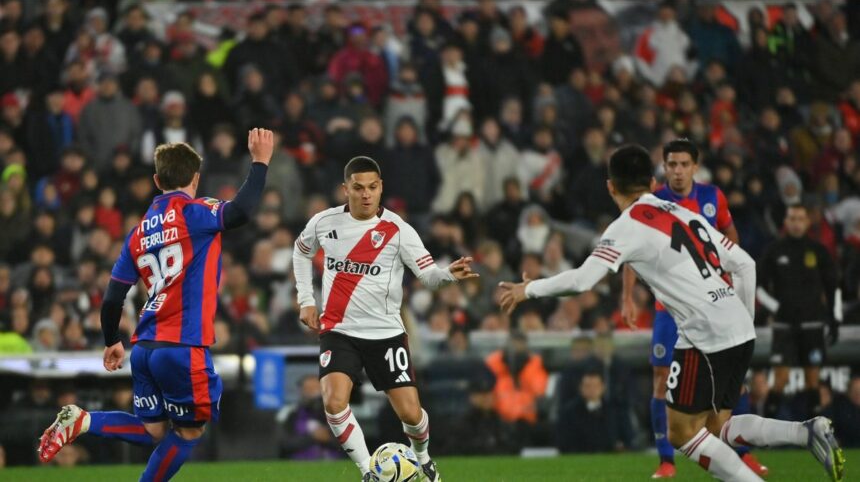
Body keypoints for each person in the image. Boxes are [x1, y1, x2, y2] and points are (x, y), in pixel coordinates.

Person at [500, 144, 845, 482]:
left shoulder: (626, 226)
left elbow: (582, 280)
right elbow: (744, 262)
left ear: (610, 186)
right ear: (653, 183)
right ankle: (806, 432)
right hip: (738, 325)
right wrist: (741, 318)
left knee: (680, 433)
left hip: (704, 333)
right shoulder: (682, 211)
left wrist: (527, 289)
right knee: (717, 428)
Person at [37, 129, 275, 481]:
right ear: (195, 178)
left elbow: (113, 297)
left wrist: (110, 340)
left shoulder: (139, 232)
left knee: (155, 433)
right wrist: (260, 162)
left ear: (156, 180)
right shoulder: (197, 213)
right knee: (189, 432)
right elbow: (240, 212)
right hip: (182, 346)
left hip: (144, 347)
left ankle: (84, 421)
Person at [293, 156, 478, 482]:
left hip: (386, 333)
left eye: (373, 187)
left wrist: (448, 274)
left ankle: (423, 459)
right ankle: (369, 472)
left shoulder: (398, 230)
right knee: (334, 402)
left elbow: (429, 276)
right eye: (359, 188)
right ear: (345, 189)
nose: (366, 194)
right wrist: (306, 300)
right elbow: (301, 250)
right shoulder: (324, 222)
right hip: (339, 329)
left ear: (381, 189)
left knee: (409, 412)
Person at [619, 137, 765, 478]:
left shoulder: (713, 197)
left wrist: (725, 281)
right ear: (664, 167)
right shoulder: (653, 202)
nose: (678, 171)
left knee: (735, 381)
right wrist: (627, 297)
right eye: (672, 164)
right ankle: (666, 460)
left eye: (684, 164)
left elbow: (731, 239)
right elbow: (631, 253)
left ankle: (741, 455)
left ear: (695, 167)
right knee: (660, 380)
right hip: (667, 309)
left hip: (711, 308)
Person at [757, 204, 838, 417]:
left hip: (812, 324)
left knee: (813, 380)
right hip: (784, 326)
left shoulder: (818, 251)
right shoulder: (774, 251)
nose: (796, 223)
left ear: (807, 222)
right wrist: (777, 308)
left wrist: (834, 318)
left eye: (800, 218)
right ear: (785, 222)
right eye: (792, 218)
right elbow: (758, 287)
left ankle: (815, 436)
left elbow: (832, 286)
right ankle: (764, 437)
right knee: (780, 379)